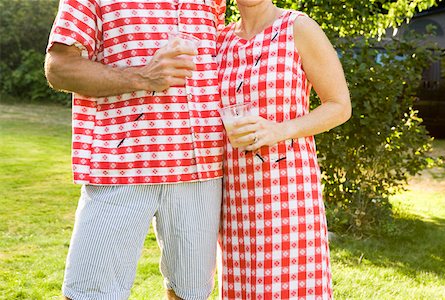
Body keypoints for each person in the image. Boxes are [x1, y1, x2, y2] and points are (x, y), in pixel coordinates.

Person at [44, 1, 225, 299]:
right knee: (90, 293)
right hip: (122, 165)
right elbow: (59, 68)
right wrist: (142, 76)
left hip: (201, 166)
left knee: (190, 293)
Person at [216, 1, 351, 299]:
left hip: (288, 194)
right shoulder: (220, 40)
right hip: (236, 198)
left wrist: (280, 130)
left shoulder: (298, 28)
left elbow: (340, 106)